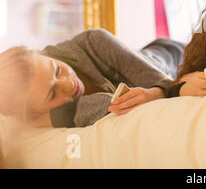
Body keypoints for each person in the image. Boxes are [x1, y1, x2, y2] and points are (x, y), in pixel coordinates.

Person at [0, 29, 184, 128]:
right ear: (37, 113)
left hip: (176, 56)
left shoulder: (95, 41)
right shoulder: (41, 115)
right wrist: (60, 116)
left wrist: (156, 92)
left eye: (57, 70)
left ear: (44, 54)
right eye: (51, 94)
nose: (68, 84)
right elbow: (111, 105)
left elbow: (170, 85)